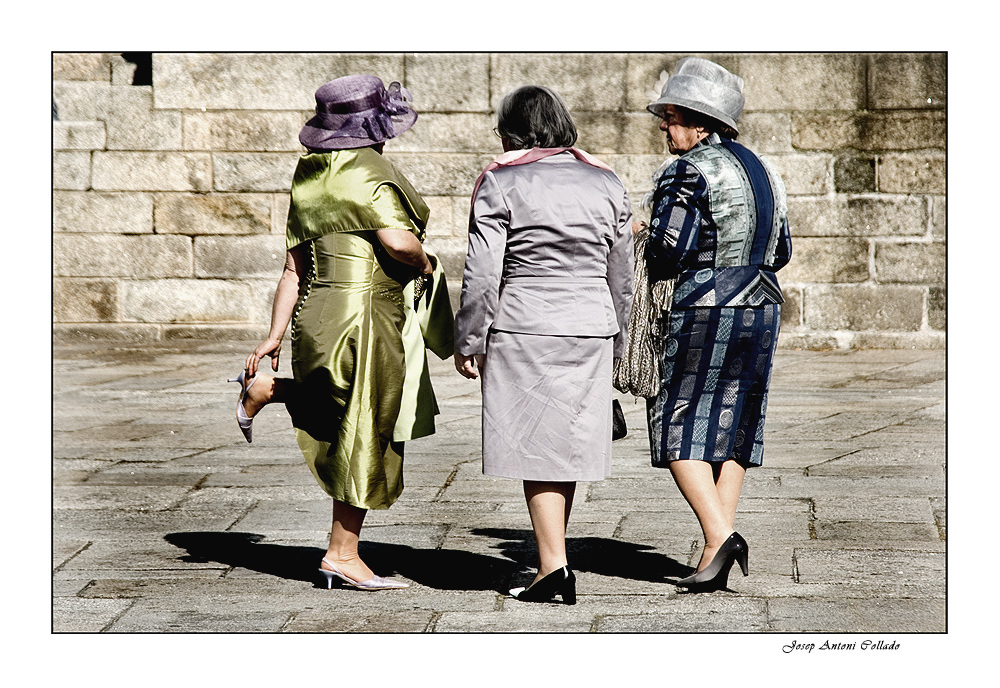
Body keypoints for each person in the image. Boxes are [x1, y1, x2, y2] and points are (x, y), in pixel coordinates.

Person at [232, 75, 453, 591]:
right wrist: (423, 263)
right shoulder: (371, 170)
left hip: (316, 313)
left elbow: (293, 268)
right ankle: (342, 554)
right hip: (365, 316)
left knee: (341, 407)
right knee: (364, 427)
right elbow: (397, 242)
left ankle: (272, 388)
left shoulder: (308, 174)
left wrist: (273, 335)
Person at [454, 85, 633, 604]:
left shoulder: (499, 180)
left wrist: (469, 337)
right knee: (565, 445)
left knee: (539, 447)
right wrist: (615, 334)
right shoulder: (606, 180)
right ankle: (551, 561)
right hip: (590, 323)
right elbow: (619, 273)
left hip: (525, 323)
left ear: (512, 130)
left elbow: (483, 270)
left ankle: (553, 566)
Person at [638, 57, 792, 592]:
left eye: (672, 116)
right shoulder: (765, 168)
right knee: (734, 422)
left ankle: (720, 535)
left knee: (675, 417)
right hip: (764, 305)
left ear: (701, 123)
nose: (663, 125)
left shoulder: (686, 170)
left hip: (705, 307)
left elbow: (666, 249)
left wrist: (639, 229)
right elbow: (784, 249)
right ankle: (715, 545)